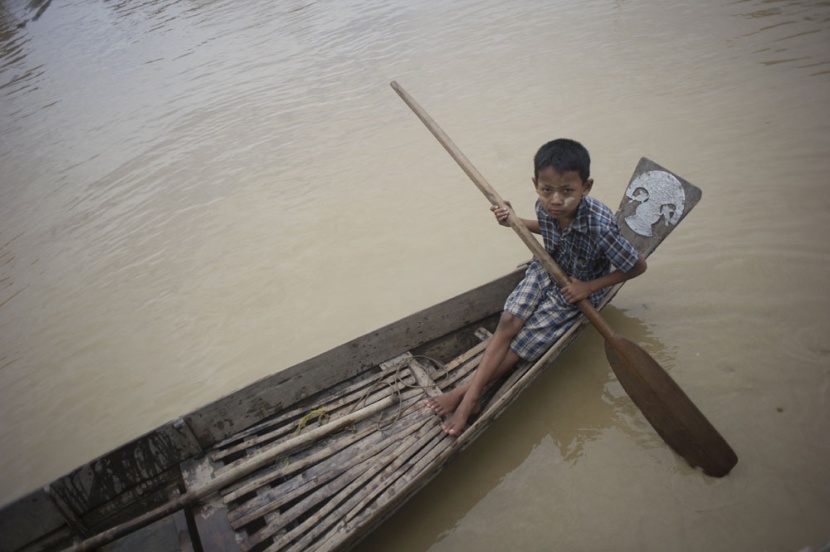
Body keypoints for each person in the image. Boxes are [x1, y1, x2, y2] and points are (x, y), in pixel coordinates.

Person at [424, 138, 648, 435]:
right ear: (536, 184)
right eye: (547, 190)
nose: (556, 200)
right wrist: (513, 221)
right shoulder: (546, 207)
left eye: (567, 191)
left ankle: (469, 396)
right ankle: (472, 394)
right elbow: (547, 226)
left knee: (523, 343)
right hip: (546, 266)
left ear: (586, 186)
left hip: (578, 285)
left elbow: (636, 266)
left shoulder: (600, 225)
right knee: (508, 320)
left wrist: (590, 287)